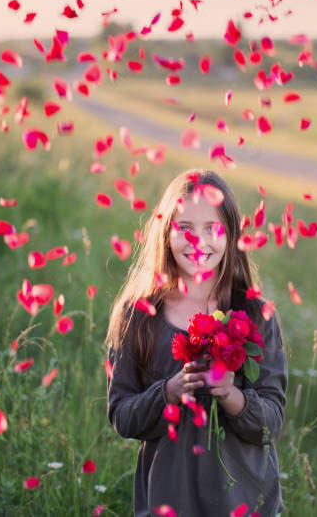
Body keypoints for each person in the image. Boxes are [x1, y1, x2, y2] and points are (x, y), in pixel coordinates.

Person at [105, 168, 288, 516]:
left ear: (232, 234)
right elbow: (121, 415)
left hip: (246, 504)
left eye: (212, 228)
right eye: (184, 228)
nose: (197, 241)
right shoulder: (139, 316)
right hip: (170, 502)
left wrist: (231, 396)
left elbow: (272, 422)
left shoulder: (255, 313)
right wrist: (167, 392)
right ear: (165, 232)